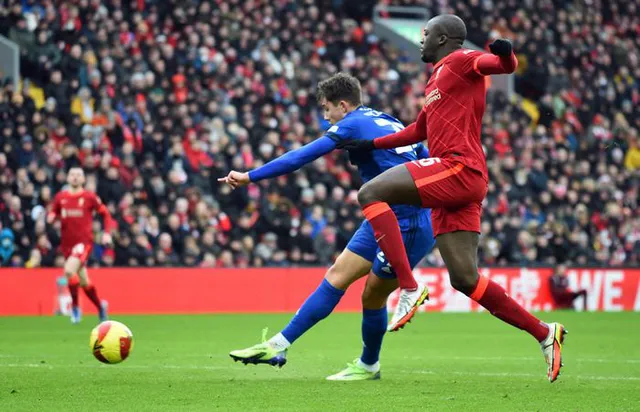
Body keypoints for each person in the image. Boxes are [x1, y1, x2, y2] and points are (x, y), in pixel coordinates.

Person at [336, 14, 567, 383]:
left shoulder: (461, 61)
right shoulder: (436, 79)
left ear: (443, 38)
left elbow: (499, 65)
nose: (421, 40)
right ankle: (544, 333)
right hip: (457, 186)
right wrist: (370, 144)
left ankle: (409, 287)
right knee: (464, 278)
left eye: (425, 34)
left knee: (371, 192)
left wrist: (506, 56)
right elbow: (418, 130)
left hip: (459, 168)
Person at [219, 73, 434, 380]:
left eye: (326, 109)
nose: (325, 117)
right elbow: (424, 157)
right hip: (383, 215)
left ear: (343, 105)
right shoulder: (388, 119)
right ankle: (277, 345)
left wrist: (250, 176)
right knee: (337, 275)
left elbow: (301, 156)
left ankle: (370, 362)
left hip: (407, 224)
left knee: (372, 297)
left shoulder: (350, 123)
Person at [47, 167, 114, 323]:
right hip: (67, 245)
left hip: (84, 243)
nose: (75, 177)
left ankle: (76, 308)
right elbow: (54, 212)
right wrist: (51, 217)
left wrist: (106, 233)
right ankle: (100, 307)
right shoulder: (60, 197)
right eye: (72, 174)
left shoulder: (89, 197)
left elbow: (105, 214)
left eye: (78, 175)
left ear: (83, 179)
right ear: (67, 178)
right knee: (83, 281)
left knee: (69, 271)